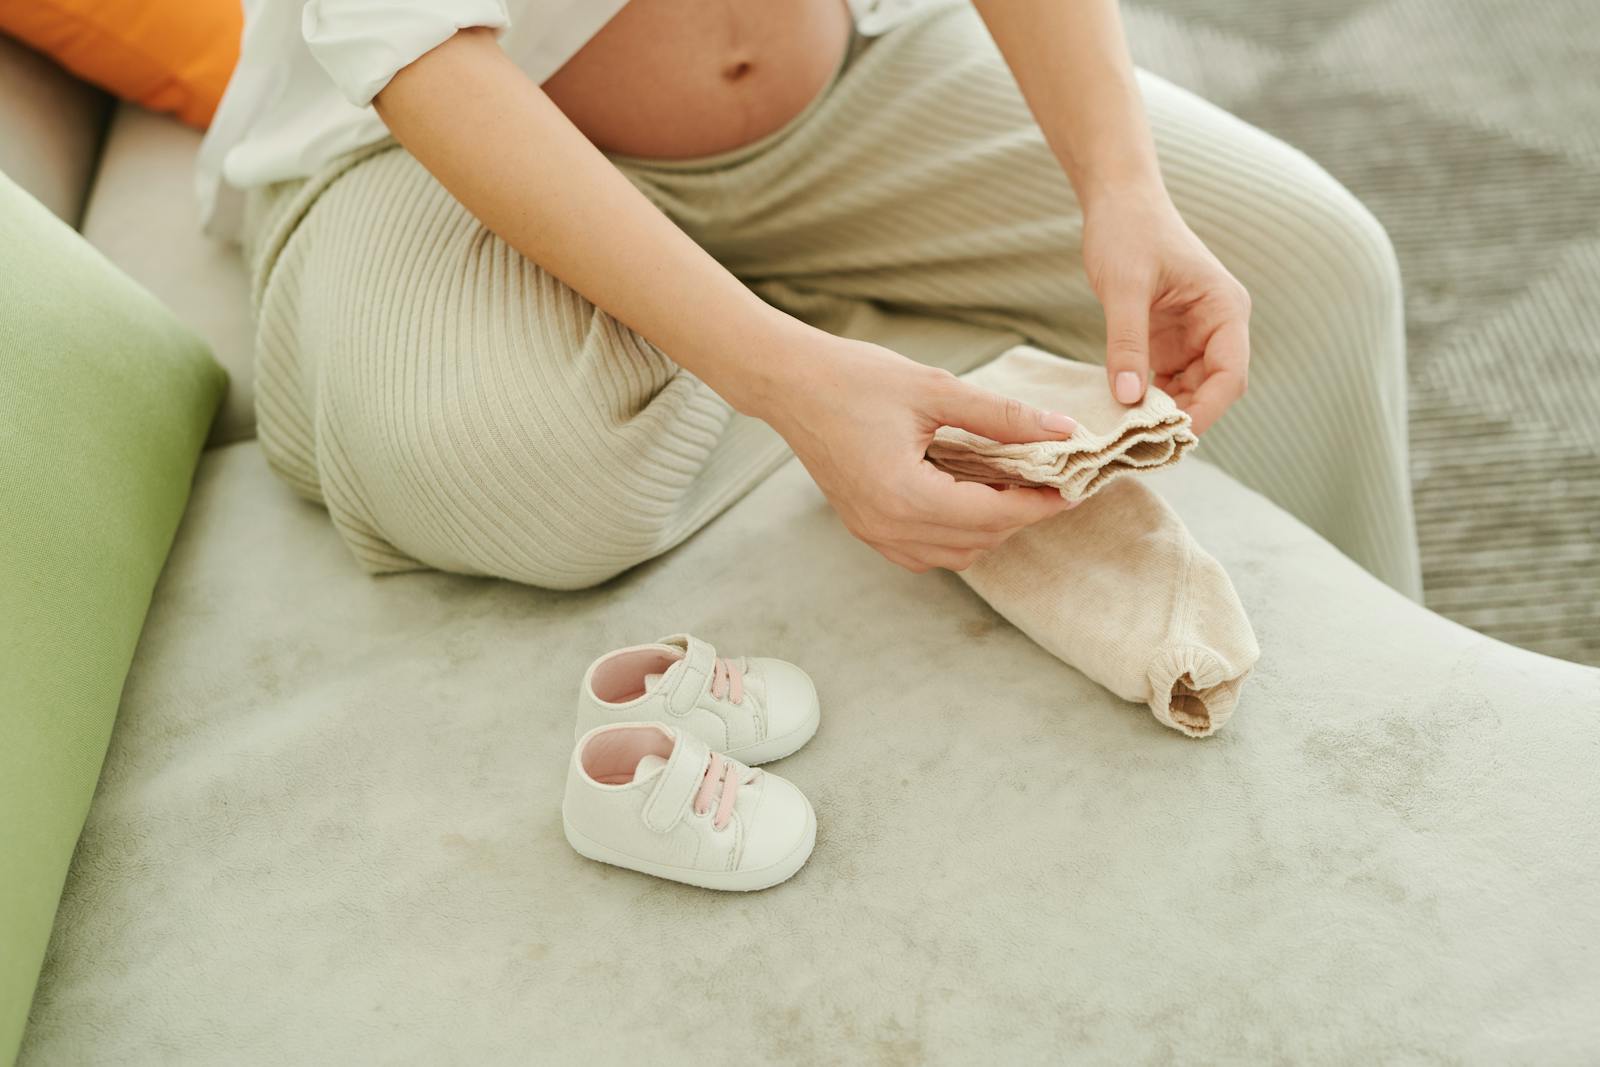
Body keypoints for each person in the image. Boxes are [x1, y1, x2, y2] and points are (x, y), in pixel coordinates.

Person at [198, 0, 1422, 597]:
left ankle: (1388, 693)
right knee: (529, 479)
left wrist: (1119, 186)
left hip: (848, 89)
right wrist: (782, 379)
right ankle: (808, 348)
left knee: (1315, 268)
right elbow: (413, 45)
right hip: (435, 157)